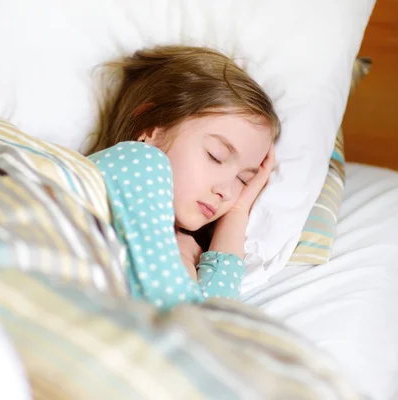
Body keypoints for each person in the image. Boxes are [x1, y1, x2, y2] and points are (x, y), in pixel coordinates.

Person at [86, 45, 279, 310]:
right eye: (216, 155)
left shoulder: (185, 247)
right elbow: (189, 319)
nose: (226, 191)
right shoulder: (136, 161)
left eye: (243, 180)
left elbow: (210, 320)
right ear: (152, 129)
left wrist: (238, 211)